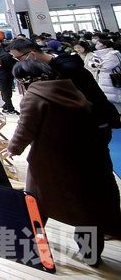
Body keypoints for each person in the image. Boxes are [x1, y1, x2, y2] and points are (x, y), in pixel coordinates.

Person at [8, 60, 121, 266]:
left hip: (49, 162)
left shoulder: (34, 96)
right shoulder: (70, 88)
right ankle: (91, 255)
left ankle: (30, 246)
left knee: (36, 204)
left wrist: (13, 149)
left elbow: (25, 128)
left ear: (23, 80)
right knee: (86, 210)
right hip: (85, 159)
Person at [7, 38, 120, 141]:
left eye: (18, 58)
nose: (18, 62)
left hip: (93, 120)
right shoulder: (53, 66)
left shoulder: (66, 69)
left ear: (31, 54)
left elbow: (86, 98)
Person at [92, 38, 121, 105]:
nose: (96, 45)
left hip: (112, 77)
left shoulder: (113, 54)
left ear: (105, 45)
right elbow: (91, 63)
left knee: (116, 95)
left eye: (99, 43)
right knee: (108, 96)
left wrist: (96, 65)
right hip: (103, 78)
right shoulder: (97, 53)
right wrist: (94, 65)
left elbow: (105, 67)